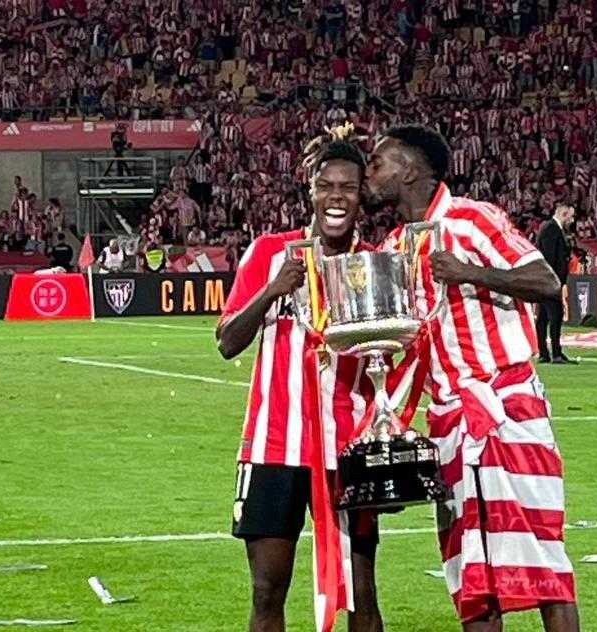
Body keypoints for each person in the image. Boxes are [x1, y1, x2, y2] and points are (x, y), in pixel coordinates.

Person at [363, 124, 579, 632]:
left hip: (509, 406)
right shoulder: (395, 246)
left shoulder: (472, 219)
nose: (370, 174)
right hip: (450, 419)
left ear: (410, 169)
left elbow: (545, 281)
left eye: (379, 162)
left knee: (544, 560)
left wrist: (471, 272)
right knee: (470, 572)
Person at [215, 124, 383, 632]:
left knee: (361, 592)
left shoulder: (372, 264)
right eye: (326, 186)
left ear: (361, 198)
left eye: (348, 188)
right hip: (274, 446)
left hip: (350, 448)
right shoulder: (269, 251)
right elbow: (227, 342)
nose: (337, 197)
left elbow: (394, 355)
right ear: (309, 189)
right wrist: (271, 291)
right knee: (268, 589)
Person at [536, 204, 576, 364]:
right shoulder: (551, 229)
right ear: (563, 214)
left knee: (544, 317)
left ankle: (545, 353)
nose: (572, 220)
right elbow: (549, 257)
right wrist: (552, 281)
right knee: (555, 315)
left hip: (547, 280)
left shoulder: (552, 228)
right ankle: (555, 353)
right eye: (571, 217)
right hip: (549, 281)